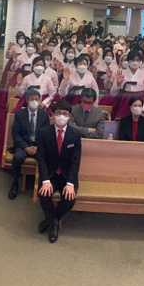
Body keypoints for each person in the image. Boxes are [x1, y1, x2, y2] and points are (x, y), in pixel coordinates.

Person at [35, 101, 81, 243]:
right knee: (44, 194)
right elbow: (41, 158)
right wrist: (45, 180)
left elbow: (75, 161)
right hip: (50, 174)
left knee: (70, 199)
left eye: (65, 114)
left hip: (67, 176)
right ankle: (54, 223)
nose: (62, 116)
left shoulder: (75, 134)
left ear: (69, 116)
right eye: (59, 113)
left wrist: (70, 183)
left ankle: (50, 220)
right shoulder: (43, 133)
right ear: (53, 114)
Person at [8, 90, 50, 200]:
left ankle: (43, 185)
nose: (34, 102)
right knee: (18, 157)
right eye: (32, 99)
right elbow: (16, 134)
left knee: (45, 159)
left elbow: (47, 135)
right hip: (24, 144)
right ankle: (15, 183)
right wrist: (26, 147)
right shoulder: (20, 114)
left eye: (37, 99)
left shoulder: (44, 115)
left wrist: (38, 147)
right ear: (27, 100)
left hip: (38, 145)